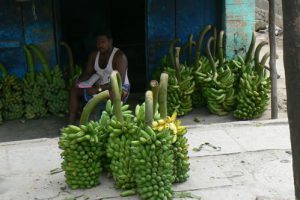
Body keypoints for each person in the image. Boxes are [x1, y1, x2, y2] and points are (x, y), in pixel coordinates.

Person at [68, 30, 130, 124]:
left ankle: (116, 123)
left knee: (114, 92)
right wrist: (79, 82)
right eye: (97, 42)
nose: (99, 45)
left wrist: (98, 89)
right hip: (98, 87)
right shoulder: (94, 55)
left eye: (103, 42)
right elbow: (88, 73)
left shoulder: (120, 56)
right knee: (74, 90)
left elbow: (118, 81)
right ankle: (70, 123)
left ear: (110, 41)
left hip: (119, 87)